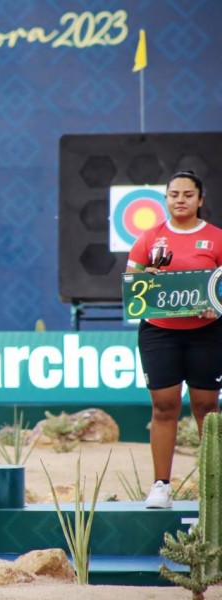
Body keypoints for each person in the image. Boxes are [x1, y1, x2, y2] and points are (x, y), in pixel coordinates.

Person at [126, 170, 222, 509]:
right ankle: (161, 487)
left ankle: (216, 487)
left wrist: (217, 305)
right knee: (164, 406)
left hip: (206, 334)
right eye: (173, 194)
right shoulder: (150, 237)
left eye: (187, 194)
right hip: (159, 333)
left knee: (207, 409)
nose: (180, 200)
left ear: (200, 200)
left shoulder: (216, 238)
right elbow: (131, 279)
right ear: (165, 199)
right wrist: (145, 276)